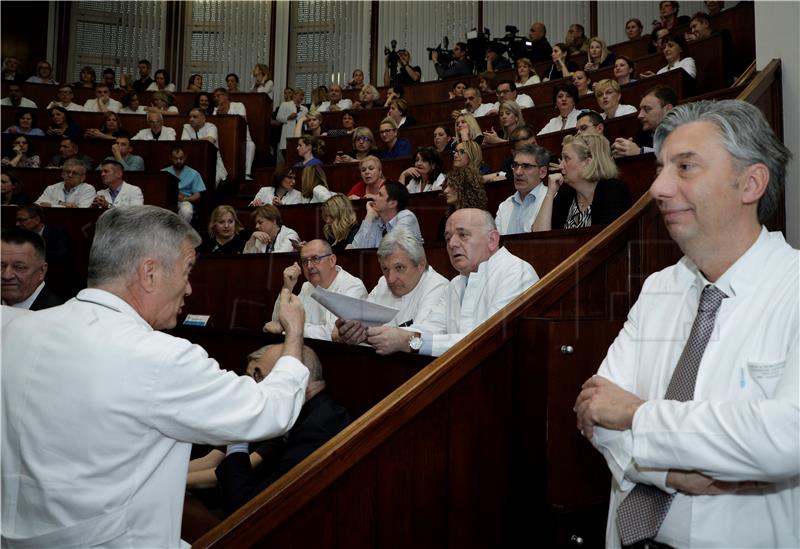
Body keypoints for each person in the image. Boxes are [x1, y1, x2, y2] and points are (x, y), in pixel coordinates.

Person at [1, 205, 311, 548]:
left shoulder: (14, 329)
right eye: (187, 271)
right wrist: (294, 332)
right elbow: (270, 411)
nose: (189, 288)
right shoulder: (160, 357)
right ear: (149, 273)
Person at [575, 99, 799, 548]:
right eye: (660, 167)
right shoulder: (660, 286)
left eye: (685, 167)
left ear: (751, 183)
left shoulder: (793, 288)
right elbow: (596, 412)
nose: (658, 187)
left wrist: (638, 414)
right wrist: (669, 471)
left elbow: (785, 437)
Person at [199, 343, 350, 515]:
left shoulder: (318, 430)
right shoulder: (300, 415)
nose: (252, 390)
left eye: (259, 378)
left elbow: (245, 510)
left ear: (295, 383)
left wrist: (238, 440)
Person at [366, 208, 538, 356]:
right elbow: (428, 328)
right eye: (448, 238)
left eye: (463, 235)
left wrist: (408, 341)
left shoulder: (516, 273)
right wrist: (378, 335)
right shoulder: (456, 283)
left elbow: (486, 339)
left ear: (492, 240)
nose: (452, 244)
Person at [334, 229, 449, 344]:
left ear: (420, 265)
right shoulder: (383, 282)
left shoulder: (438, 286)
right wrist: (348, 331)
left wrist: (367, 334)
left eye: (399, 268)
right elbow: (361, 320)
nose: (391, 279)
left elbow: (421, 337)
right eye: (385, 269)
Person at [264, 239, 367, 341]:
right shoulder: (307, 286)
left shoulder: (353, 286)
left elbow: (335, 334)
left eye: (315, 259)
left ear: (332, 260)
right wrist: (287, 288)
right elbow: (276, 323)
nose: (309, 266)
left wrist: (288, 328)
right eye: (304, 261)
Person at [532, 134, 630, 231]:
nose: (561, 166)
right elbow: (539, 236)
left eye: (566, 158)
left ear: (587, 163)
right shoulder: (566, 193)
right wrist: (550, 193)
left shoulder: (614, 191)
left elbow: (608, 237)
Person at [1, 228, 63, 310]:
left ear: (42, 271)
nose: (6, 275)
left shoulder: (58, 315)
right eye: (1, 265)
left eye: (19, 267)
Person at [495, 144, 550, 235]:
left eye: (526, 166)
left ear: (542, 172)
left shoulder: (551, 200)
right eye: (515, 165)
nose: (518, 172)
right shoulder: (505, 206)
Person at [351, 181, 422, 249]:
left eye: (380, 195)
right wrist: (369, 217)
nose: (374, 198)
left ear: (392, 203)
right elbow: (355, 250)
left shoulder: (407, 217)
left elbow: (392, 250)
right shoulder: (378, 220)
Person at [612, 85, 678, 158]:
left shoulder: (684, 130)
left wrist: (640, 152)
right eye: (641, 109)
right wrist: (623, 151)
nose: (640, 115)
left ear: (667, 110)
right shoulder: (642, 134)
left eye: (647, 109)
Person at [212, 87, 255, 178]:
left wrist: (225, 115)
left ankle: (246, 174)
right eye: (214, 97)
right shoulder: (215, 110)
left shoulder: (238, 105)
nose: (216, 98)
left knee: (251, 145)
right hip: (225, 138)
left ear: (226, 96)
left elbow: (242, 120)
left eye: (218, 96)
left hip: (242, 136)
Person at [436, 166, 488, 240]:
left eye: (451, 186)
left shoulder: (479, 218)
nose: (445, 191)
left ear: (464, 188)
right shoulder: (446, 219)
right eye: (446, 186)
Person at [181, 108, 228, 186]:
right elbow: (185, 143)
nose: (191, 119)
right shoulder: (187, 127)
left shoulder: (211, 126)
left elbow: (209, 141)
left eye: (195, 117)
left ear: (203, 118)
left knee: (209, 183)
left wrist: (193, 140)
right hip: (192, 162)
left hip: (213, 164)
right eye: (190, 117)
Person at [162, 145, 206, 223]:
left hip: (184, 201)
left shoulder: (194, 173)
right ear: (170, 158)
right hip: (167, 201)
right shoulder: (163, 172)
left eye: (181, 158)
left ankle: (180, 233)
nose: (178, 161)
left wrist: (185, 199)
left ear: (185, 157)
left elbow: (197, 195)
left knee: (186, 211)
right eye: (176, 158)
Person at [277, 87, 308, 162]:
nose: (302, 97)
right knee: (288, 159)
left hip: (300, 137)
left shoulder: (305, 109)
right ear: (294, 95)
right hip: (288, 136)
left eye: (303, 95)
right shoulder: (285, 105)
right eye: (300, 95)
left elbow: (306, 123)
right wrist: (288, 117)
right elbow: (278, 117)